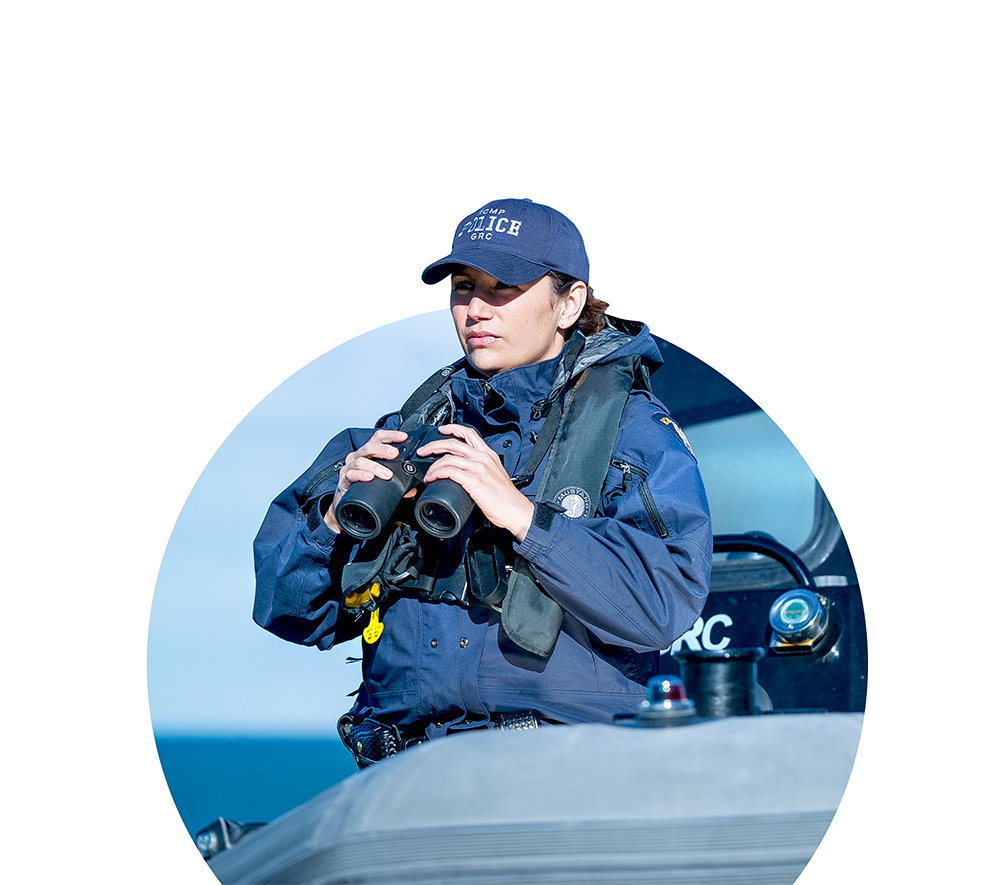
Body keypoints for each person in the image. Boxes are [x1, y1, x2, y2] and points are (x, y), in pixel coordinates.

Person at [253, 198, 712, 766]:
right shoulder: (406, 434)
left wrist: (523, 516)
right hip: (407, 774)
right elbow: (287, 612)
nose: (476, 309)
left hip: (568, 770)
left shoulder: (633, 434)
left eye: (503, 289)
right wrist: (330, 521)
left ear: (568, 303)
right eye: (464, 287)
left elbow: (663, 604)